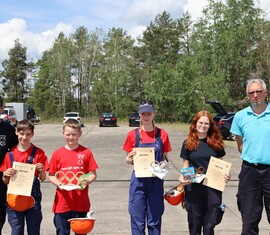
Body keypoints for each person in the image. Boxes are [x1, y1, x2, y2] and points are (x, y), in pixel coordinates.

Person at [123, 100, 172, 235]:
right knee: (137, 219)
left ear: (154, 114)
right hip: (138, 181)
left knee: (154, 219)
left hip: (155, 181)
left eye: (148, 113)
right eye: (143, 114)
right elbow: (128, 159)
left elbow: (165, 159)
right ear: (139, 115)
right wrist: (129, 159)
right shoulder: (133, 135)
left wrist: (162, 166)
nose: (146, 116)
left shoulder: (162, 135)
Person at [178, 110, 230, 235]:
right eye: (200, 122)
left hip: (212, 188)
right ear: (195, 124)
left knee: (209, 226)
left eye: (206, 123)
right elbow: (186, 164)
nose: (203, 126)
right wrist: (182, 177)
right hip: (193, 187)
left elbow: (221, 164)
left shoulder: (216, 143)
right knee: (194, 225)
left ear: (210, 125)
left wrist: (225, 175)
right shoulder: (188, 143)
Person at [230, 78, 270, 235]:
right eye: (251, 92)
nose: (255, 95)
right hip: (249, 172)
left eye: (258, 91)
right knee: (249, 220)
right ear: (247, 96)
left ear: (265, 93)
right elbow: (240, 146)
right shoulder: (240, 116)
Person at [49, 119, 98, 235]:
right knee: (62, 232)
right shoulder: (57, 153)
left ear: (80, 134)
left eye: (74, 134)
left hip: (80, 202)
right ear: (63, 134)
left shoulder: (86, 152)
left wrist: (85, 182)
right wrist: (59, 184)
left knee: (81, 232)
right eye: (68, 134)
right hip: (62, 203)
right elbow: (51, 175)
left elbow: (92, 174)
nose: (71, 137)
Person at [0, 119, 48, 235]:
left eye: (28, 134)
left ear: (32, 134)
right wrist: (5, 175)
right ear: (16, 132)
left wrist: (41, 171)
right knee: (16, 231)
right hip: (14, 200)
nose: (24, 137)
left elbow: (43, 178)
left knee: (34, 230)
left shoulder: (39, 153)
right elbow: (5, 181)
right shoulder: (9, 154)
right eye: (22, 134)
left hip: (33, 200)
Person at [0, 96, 18, 234]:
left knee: (0, 217)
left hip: (2, 180)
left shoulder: (8, 129)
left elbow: (16, 153)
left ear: (1, 108)